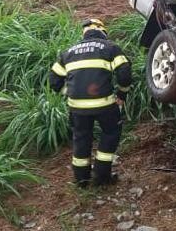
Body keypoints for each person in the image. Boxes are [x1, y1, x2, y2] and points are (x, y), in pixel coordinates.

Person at [49, 19, 132, 186]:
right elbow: (124, 73)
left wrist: (69, 93)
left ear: (84, 33)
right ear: (102, 32)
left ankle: (81, 179)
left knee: (81, 138)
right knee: (110, 133)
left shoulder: (68, 52)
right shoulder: (110, 48)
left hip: (77, 108)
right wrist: (122, 94)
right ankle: (102, 177)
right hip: (105, 105)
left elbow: (54, 81)